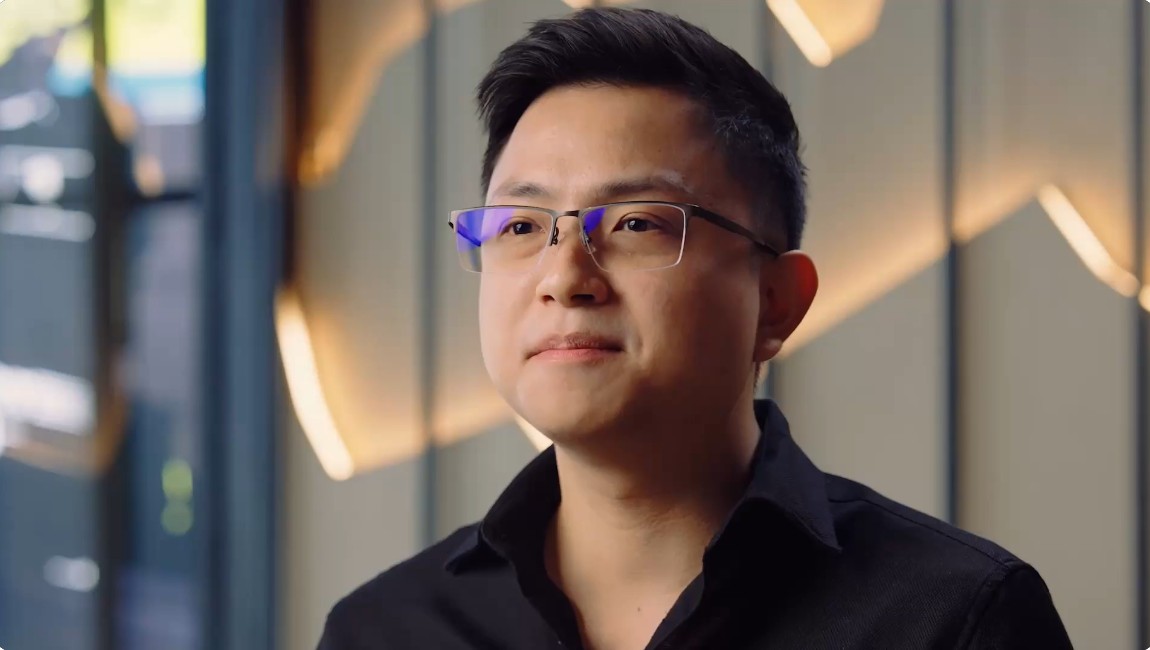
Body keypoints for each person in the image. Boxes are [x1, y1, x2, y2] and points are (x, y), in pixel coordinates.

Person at [318, 7, 1071, 649]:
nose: (563, 276)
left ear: (776, 302)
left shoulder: (955, 617)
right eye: (520, 225)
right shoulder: (385, 630)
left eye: (637, 222)